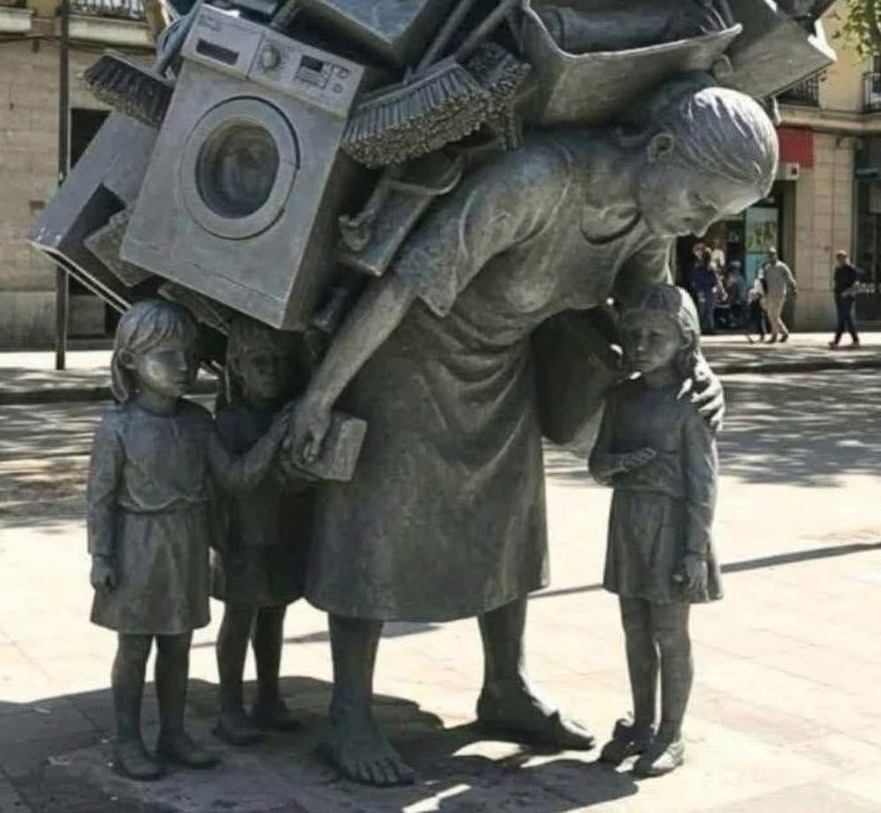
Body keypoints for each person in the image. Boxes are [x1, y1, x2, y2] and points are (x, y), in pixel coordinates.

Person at [285, 79, 777, 787]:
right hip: (408, 356)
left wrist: (698, 372)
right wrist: (321, 397)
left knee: (509, 524)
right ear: (663, 149)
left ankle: (505, 687)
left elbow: (657, 313)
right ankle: (350, 713)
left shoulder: (650, 224)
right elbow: (397, 287)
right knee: (377, 525)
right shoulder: (534, 182)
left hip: (503, 366)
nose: (700, 226)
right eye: (701, 202)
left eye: (715, 215)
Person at [86, 299, 290, 781]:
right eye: (167, 356)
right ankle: (128, 740)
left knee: (178, 644)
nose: (183, 366)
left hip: (187, 544)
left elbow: (236, 478)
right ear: (130, 361)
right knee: (134, 648)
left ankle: (173, 733)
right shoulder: (117, 427)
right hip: (138, 545)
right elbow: (99, 499)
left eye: (190, 355)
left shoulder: (197, 422)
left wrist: (275, 438)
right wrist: (102, 555)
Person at [590, 284, 721, 778]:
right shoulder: (621, 398)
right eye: (635, 335)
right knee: (634, 628)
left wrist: (694, 551)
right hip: (628, 523)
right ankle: (642, 722)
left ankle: (671, 731)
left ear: (684, 341)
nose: (641, 345)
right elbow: (597, 463)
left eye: (656, 337)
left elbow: (704, 484)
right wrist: (621, 463)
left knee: (670, 632)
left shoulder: (691, 405)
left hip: (672, 529)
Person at [212, 316, 314, 745]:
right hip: (243, 537)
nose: (272, 372)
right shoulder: (228, 422)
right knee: (240, 617)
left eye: (279, 362)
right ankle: (229, 706)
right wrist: (275, 437)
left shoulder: (287, 413)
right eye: (260, 362)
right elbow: (239, 479)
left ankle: (268, 697)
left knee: (274, 614)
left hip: (282, 529)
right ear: (237, 367)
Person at [760, 247, 797, 343]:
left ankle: (774, 335)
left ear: (776, 255)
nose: (771, 256)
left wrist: (793, 287)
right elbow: (763, 280)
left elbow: (789, 278)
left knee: (774, 315)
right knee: (772, 315)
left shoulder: (782, 267)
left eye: (772, 254)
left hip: (779, 294)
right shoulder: (767, 268)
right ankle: (784, 332)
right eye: (769, 255)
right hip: (770, 294)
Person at [829, 249, 861, 349]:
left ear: (846, 258)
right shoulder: (838, 269)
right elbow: (836, 281)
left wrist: (847, 292)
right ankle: (837, 341)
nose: (840, 260)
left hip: (847, 297)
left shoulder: (851, 269)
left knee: (846, 317)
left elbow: (856, 284)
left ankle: (854, 340)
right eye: (839, 258)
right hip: (838, 296)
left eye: (842, 258)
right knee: (841, 319)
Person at [690, 245, 722, 334]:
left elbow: (694, 281)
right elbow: (716, 280)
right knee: (709, 310)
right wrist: (721, 291)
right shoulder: (711, 267)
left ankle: (701, 328)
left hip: (701, 291)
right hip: (710, 291)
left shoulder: (697, 266)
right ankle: (710, 328)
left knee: (702, 310)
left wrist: (697, 289)